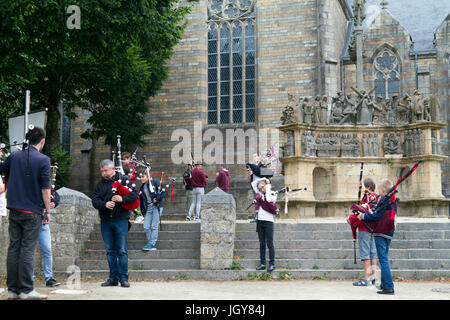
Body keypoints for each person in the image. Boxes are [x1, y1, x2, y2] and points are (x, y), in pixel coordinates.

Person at [0, 126, 51, 300]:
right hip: (32, 212)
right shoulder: (44, 160)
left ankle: (13, 291)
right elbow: (46, 190)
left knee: (14, 248)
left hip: (14, 209)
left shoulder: (14, 156)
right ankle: (27, 290)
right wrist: (48, 211)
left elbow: (1, 170)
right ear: (42, 141)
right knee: (27, 250)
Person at [91, 159, 139, 288]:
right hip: (106, 221)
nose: (103, 173)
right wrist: (104, 204)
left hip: (121, 220)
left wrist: (122, 199)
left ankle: (123, 278)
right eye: (102, 171)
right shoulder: (99, 185)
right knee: (110, 251)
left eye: (105, 170)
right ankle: (113, 278)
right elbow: (94, 201)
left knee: (122, 250)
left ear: (113, 169)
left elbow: (135, 195)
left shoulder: (124, 180)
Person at [357, 178, 396, 295]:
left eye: (379, 190)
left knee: (383, 260)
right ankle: (384, 284)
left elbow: (377, 217)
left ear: (383, 190)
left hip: (381, 232)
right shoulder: (392, 199)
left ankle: (389, 287)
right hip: (389, 232)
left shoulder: (384, 200)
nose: (378, 192)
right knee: (384, 259)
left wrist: (363, 216)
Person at [347, 177, 379, 287]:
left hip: (364, 228)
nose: (361, 188)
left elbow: (361, 212)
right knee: (373, 253)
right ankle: (374, 277)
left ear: (368, 187)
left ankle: (366, 279)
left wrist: (351, 219)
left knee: (366, 254)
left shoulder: (368, 197)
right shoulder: (377, 197)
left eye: (363, 186)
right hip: (374, 229)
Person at [36, 189, 61, 288]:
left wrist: (53, 203)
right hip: (31, 221)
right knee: (27, 251)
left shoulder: (44, 183)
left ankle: (49, 279)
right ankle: (27, 279)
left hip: (43, 222)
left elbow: (55, 194)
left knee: (47, 251)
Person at [251, 178, 278, 272]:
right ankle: (262, 263)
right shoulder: (258, 195)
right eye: (260, 188)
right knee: (262, 243)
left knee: (269, 243)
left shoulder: (273, 193)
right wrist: (263, 179)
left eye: (263, 186)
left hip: (269, 221)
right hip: (260, 221)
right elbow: (253, 183)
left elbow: (270, 199)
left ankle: (272, 264)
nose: (262, 189)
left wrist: (268, 185)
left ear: (266, 185)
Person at [140, 173, 165, 251]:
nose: (141, 179)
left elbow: (162, 192)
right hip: (149, 209)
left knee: (154, 226)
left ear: (148, 177)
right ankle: (151, 244)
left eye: (143, 177)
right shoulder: (142, 187)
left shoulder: (154, 182)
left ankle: (152, 244)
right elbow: (141, 201)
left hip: (156, 207)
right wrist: (143, 213)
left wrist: (157, 199)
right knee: (146, 226)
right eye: (140, 177)